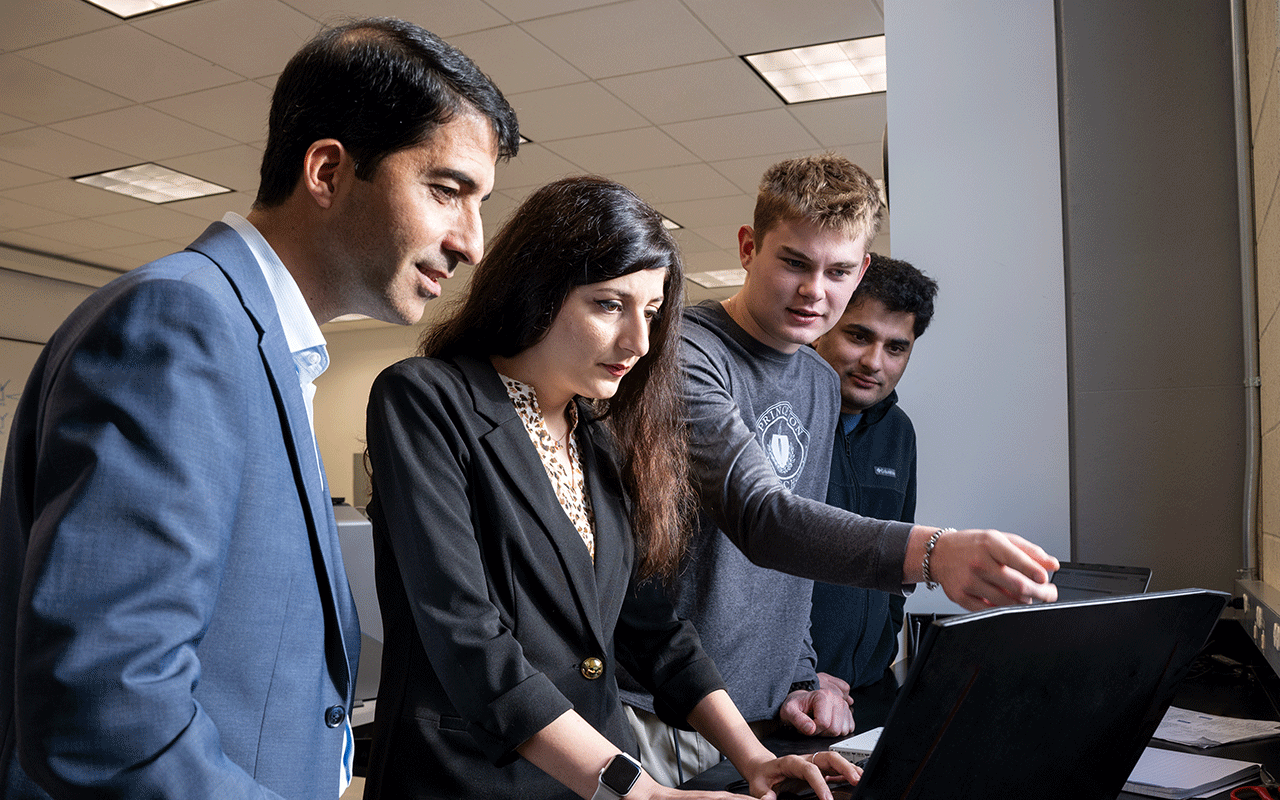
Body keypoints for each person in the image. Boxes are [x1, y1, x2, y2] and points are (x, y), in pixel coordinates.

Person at [0, 18, 518, 800]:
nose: (473, 241)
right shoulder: (182, 322)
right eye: (447, 191)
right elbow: (109, 713)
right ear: (327, 171)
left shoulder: (263, 345)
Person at [363, 176, 859, 800]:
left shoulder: (600, 431)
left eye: (650, 312)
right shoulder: (426, 400)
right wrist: (646, 792)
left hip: (592, 781)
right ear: (535, 290)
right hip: (470, 779)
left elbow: (653, 629)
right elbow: (468, 637)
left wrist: (755, 757)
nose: (640, 342)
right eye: (608, 305)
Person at [620, 153, 1058, 785]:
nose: (814, 291)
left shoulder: (820, 382)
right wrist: (934, 551)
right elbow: (762, 517)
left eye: (839, 271)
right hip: (666, 713)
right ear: (749, 247)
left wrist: (799, 672)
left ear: (862, 272)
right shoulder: (683, 351)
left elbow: (791, 572)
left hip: (771, 720)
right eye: (794, 261)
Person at [809, 253, 938, 729]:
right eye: (858, 336)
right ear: (823, 326)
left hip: (866, 689)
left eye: (896, 347)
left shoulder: (899, 433)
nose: (873, 362)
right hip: (783, 696)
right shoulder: (778, 416)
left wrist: (883, 637)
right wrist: (797, 673)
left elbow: (896, 559)